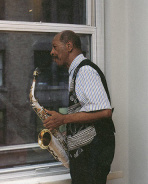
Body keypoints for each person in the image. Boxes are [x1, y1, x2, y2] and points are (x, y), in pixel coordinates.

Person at [43, 30, 115, 184]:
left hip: (92, 156)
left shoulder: (85, 71)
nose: (52, 52)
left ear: (69, 46)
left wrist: (63, 119)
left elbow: (105, 111)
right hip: (87, 155)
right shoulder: (76, 72)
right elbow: (87, 109)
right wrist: (68, 127)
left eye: (55, 47)